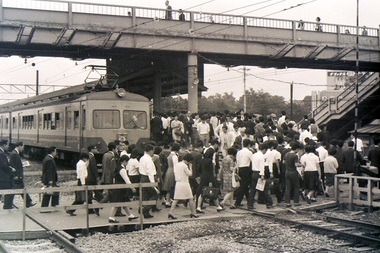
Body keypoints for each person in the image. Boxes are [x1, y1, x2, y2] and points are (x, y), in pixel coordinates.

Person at [168, 153, 199, 219]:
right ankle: (193, 213)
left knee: (176, 199)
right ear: (188, 160)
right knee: (190, 198)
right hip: (184, 183)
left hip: (178, 183)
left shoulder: (177, 164)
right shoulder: (184, 166)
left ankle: (171, 212)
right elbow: (190, 174)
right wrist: (190, 167)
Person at [108, 155, 138, 223]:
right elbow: (126, 179)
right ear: (124, 161)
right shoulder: (122, 169)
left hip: (118, 186)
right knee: (117, 203)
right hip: (121, 187)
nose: (127, 163)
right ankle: (111, 217)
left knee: (124, 202)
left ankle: (130, 215)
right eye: (127, 162)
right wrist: (132, 187)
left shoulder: (117, 168)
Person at [9, 141, 36, 208]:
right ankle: (8, 204)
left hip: (18, 176)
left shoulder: (14, 153)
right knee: (14, 190)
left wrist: (22, 165)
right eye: (23, 146)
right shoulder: (14, 154)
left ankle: (28, 202)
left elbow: (16, 165)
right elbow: (13, 166)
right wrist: (16, 176)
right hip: (17, 176)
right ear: (19, 146)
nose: (23, 148)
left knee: (22, 189)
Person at [139, 144, 160, 219]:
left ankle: (144, 210)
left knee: (145, 195)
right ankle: (146, 209)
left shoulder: (142, 158)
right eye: (153, 151)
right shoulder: (148, 160)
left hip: (142, 177)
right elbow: (150, 173)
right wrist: (153, 185)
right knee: (155, 194)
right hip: (148, 178)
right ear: (151, 151)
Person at [66, 152, 90, 216]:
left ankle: (71, 209)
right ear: (84, 158)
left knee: (81, 198)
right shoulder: (81, 164)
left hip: (81, 180)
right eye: (86, 159)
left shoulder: (80, 163)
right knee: (81, 198)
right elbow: (82, 174)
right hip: (82, 181)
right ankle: (70, 209)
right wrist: (83, 183)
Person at [234, 139, 253, 208]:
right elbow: (252, 160)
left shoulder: (239, 152)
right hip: (246, 169)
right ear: (249, 145)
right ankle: (237, 202)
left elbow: (237, 161)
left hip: (240, 169)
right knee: (243, 186)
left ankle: (249, 199)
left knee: (244, 185)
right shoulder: (249, 152)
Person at [283, 141, 302, 207]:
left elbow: (283, 162)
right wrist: (302, 164)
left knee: (288, 187)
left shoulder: (286, 154)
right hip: (293, 172)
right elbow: (296, 164)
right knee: (296, 187)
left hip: (287, 171)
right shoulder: (295, 156)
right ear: (296, 148)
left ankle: (287, 202)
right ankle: (296, 202)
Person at [162, 143, 180, 207]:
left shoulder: (170, 155)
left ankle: (168, 201)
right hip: (173, 171)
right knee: (172, 187)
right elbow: (176, 166)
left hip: (169, 170)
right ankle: (171, 201)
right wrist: (177, 174)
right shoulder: (175, 156)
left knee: (168, 187)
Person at [0, 140, 16, 209]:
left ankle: (7, 205)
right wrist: (11, 169)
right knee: (10, 190)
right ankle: (7, 206)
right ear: (3, 145)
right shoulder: (1, 154)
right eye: (7, 145)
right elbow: (3, 165)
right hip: (3, 177)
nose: (8, 146)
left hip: (2, 176)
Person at [86, 145, 101, 215]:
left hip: (88, 177)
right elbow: (94, 169)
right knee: (97, 193)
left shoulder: (88, 156)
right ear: (92, 150)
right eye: (95, 148)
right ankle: (99, 205)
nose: (96, 149)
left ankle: (90, 209)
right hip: (92, 178)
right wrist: (97, 177)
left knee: (90, 194)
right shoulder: (92, 157)